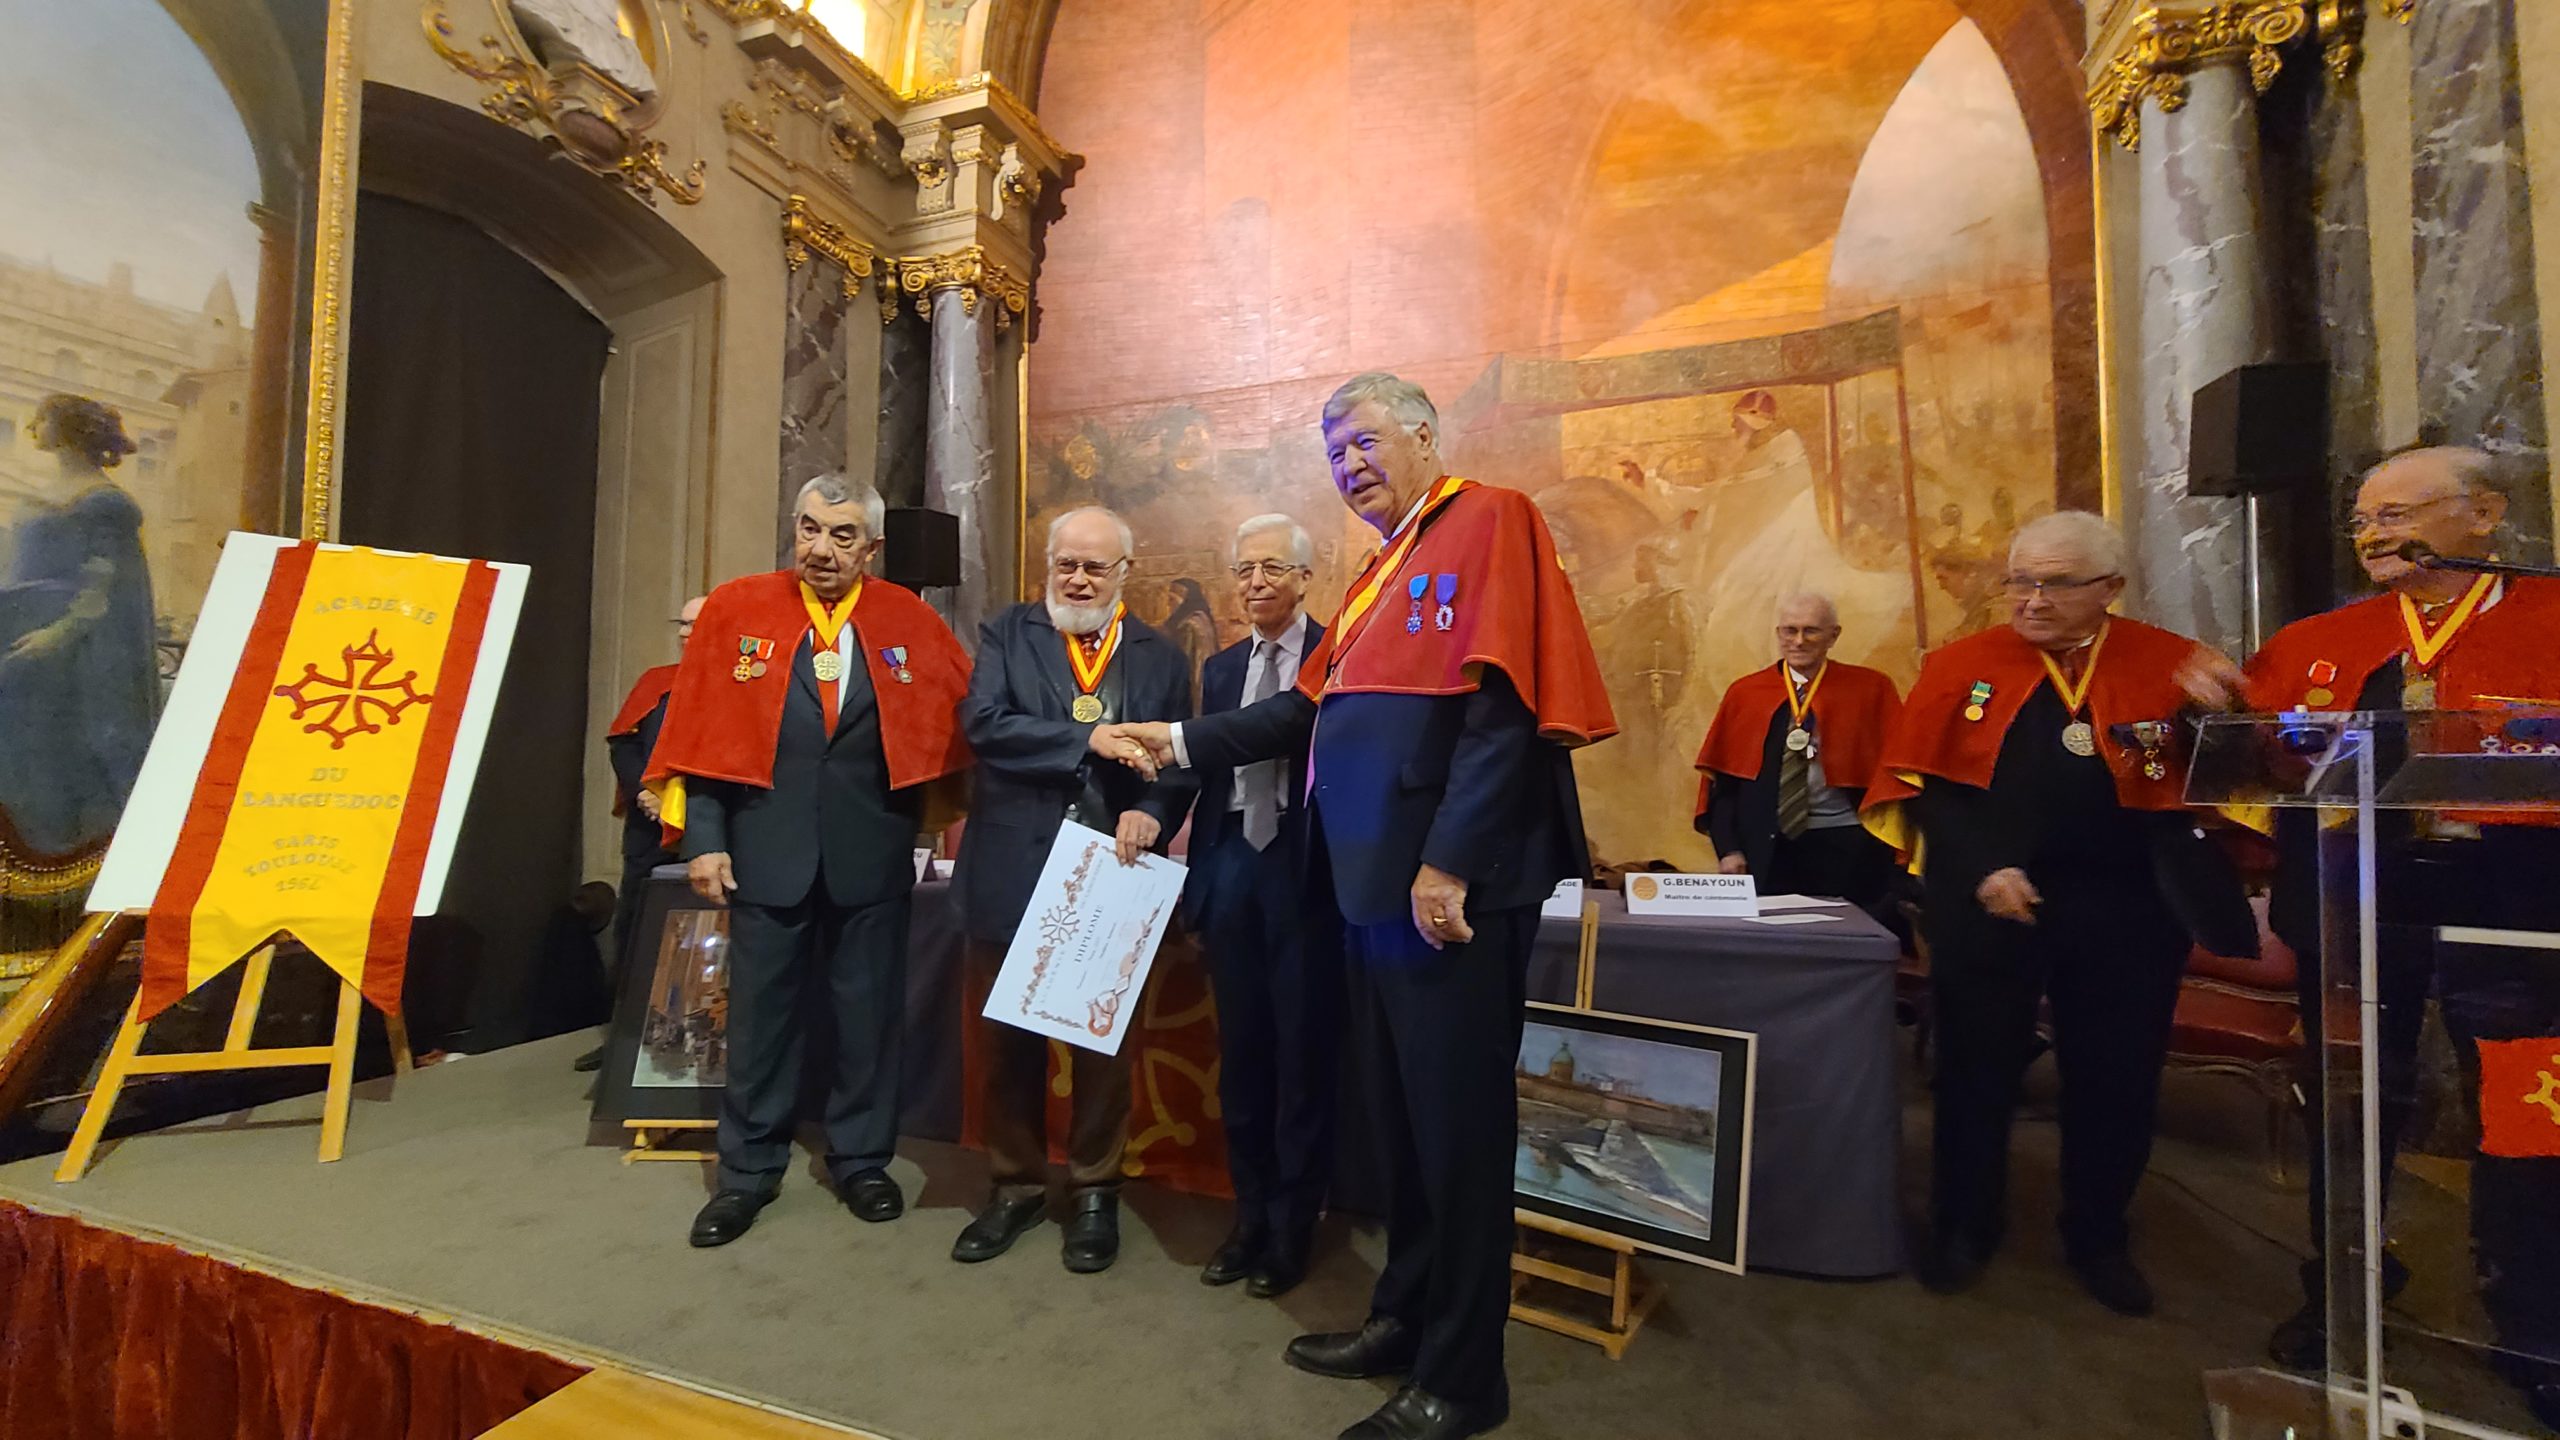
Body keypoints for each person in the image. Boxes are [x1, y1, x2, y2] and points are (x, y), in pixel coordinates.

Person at [1105, 373, 1615, 1440]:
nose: (1350, 465)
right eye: (1335, 452)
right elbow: (1301, 712)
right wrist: (1180, 740)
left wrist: (1450, 862)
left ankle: (1464, 1380)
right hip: (1374, 891)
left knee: (1459, 1137)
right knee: (1406, 1129)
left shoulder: (1488, 519)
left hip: (1445, 894)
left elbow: (1502, 709)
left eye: (1367, 441)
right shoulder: (1387, 566)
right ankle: (1406, 1320)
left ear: (1424, 434)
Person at [2179, 446, 2560, 1427]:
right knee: (2354, 1103)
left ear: (2484, 514)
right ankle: (2341, 1294)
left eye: (2397, 513)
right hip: (2353, 907)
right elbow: (2255, 765)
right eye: (2362, 519)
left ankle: (2533, 1317)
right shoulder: (2321, 639)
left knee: (2525, 1111)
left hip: (2516, 911)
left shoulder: (2550, 618)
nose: (2373, 535)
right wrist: (2216, 713)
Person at [1862, 510, 2254, 1317]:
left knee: (2116, 1077)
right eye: (2020, 581)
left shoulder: (2168, 662)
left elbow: (2224, 778)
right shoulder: (1960, 664)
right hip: (1990, 899)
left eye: (2056, 583)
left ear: (2110, 587)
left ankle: (2098, 1237)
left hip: (2128, 905)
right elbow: (1927, 788)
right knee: (1974, 1071)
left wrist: (2218, 718)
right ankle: (1964, 1228)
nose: (2032, 600)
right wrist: (1983, 868)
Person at [642, 474, 972, 1248]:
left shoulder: (909, 620)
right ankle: (747, 1173)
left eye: (842, 535)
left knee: (869, 1020)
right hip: (766, 850)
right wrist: (705, 837)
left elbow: (956, 715)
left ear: (873, 548)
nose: (821, 549)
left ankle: (862, 1160)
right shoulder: (738, 609)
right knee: (760, 1024)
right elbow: (705, 734)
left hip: (872, 853)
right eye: (810, 529)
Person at [948, 506, 1197, 1276]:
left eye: (1095, 567)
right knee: (1007, 1046)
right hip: (1010, 865)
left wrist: (1154, 813)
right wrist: (1083, 737)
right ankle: (1016, 1185)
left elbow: (1180, 763)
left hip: (1111, 874)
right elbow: (983, 723)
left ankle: (1095, 1191)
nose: (1079, 580)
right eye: (1067, 565)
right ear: (1048, 565)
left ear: (1125, 571)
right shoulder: (1006, 633)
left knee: (1101, 1047)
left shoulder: (1160, 655)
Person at [1183, 513, 1338, 1300]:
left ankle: (1291, 1226)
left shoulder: (1336, 655)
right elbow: (1206, 774)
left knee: (1302, 1059)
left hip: (1304, 874)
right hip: (1232, 869)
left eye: (1272, 568)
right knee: (1241, 1056)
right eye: (1244, 569)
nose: (1255, 583)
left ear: (1305, 578)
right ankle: (1247, 1218)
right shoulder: (1220, 669)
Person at [0, 394, 157, 864]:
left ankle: (53, 865)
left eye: (42, 419)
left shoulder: (104, 502)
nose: (33, 427)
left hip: (69, 652)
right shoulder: (50, 491)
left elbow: (105, 586)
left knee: (53, 754)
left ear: (68, 428)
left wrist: (58, 634)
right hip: (17, 630)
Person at [1693, 590, 1901, 916]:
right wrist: (1728, 849)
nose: (1799, 641)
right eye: (1790, 631)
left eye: (1811, 631)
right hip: (1766, 848)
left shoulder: (1870, 689)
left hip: (1847, 845)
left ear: (1834, 635)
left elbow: (1894, 779)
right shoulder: (1746, 693)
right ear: (1779, 633)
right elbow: (1724, 786)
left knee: (1844, 936)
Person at [579, 593, 706, 1072]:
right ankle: (624, 1038)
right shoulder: (657, 682)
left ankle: (694, 1036)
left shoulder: (741, 686)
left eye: (694, 625)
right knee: (635, 929)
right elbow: (623, 744)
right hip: (648, 830)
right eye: (682, 624)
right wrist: (647, 794)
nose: (684, 633)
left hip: (708, 829)